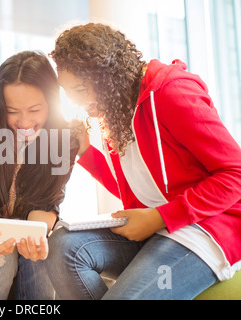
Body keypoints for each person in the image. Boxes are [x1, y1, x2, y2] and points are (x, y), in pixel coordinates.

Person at [45, 22, 241, 300]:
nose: (76, 102)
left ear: (108, 77)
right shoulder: (115, 111)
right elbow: (140, 188)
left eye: (79, 89)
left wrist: (159, 217)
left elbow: (235, 173)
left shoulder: (173, 93)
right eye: (67, 91)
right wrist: (86, 153)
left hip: (203, 230)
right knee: (63, 247)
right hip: (157, 230)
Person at [0, 51, 79, 300]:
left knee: (40, 253)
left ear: (51, 102)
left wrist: (30, 236)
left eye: (35, 109)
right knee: (1, 253)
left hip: (28, 243)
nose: (24, 121)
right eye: (13, 111)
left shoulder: (63, 142)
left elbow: (47, 201)